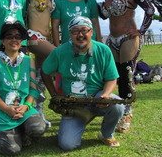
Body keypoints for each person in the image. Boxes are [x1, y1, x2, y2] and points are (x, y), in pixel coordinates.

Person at [82, 0, 155, 133]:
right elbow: (104, 15)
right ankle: (115, 108)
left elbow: (150, 9)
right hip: (111, 40)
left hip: (128, 38)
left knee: (126, 73)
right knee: (112, 74)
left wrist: (141, 30)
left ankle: (127, 113)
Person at [42, 16, 124, 150]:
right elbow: (45, 72)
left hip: (97, 97)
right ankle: (82, 117)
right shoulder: (59, 52)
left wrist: (106, 95)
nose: (80, 35)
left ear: (91, 32)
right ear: (70, 34)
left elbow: (111, 78)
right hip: (73, 103)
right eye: (75, 31)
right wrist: (54, 94)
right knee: (68, 145)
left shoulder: (104, 50)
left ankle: (106, 134)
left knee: (117, 106)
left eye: (84, 30)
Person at [0, 20, 46, 155]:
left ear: (22, 40)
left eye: (18, 36)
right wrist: (7, 109)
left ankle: (17, 130)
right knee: (12, 150)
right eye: (9, 36)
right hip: (3, 110)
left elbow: (33, 89)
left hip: (23, 107)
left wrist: (27, 106)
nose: (14, 39)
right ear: (2, 41)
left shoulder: (29, 61)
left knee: (38, 127)